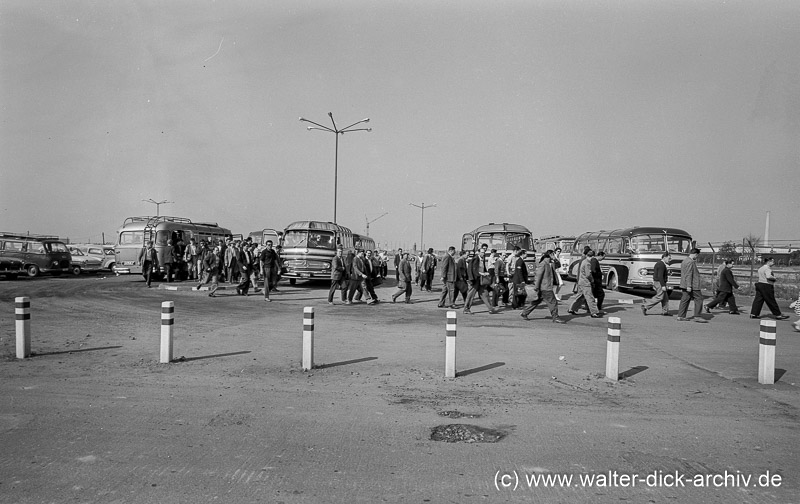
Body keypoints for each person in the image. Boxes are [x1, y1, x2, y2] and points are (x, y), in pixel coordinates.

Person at [520, 251, 566, 323]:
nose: (554, 256)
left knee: (536, 301)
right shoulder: (543, 264)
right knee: (553, 302)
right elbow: (538, 276)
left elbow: (559, 265)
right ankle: (555, 317)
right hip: (545, 287)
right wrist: (536, 286)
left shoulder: (551, 263)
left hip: (546, 286)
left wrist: (555, 259)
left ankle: (525, 313)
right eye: (553, 254)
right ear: (550, 255)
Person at [464, 246, 498, 315]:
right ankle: (466, 309)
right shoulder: (475, 259)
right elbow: (473, 270)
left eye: (484, 252)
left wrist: (486, 272)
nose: (483, 253)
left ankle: (490, 308)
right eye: (482, 252)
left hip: (481, 280)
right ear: (478, 252)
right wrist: (480, 274)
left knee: (485, 294)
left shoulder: (482, 259)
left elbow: (482, 268)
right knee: (471, 295)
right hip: (475, 280)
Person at [568, 250, 601, 318]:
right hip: (585, 283)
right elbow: (588, 274)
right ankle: (594, 312)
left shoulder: (584, 261)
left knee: (580, 297)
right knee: (590, 297)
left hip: (581, 282)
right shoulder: (588, 263)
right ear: (593, 256)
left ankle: (572, 309)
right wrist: (592, 280)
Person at [677, 248, 706, 322]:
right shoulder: (691, 262)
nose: (697, 257)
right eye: (697, 255)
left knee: (685, 299)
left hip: (684, 284)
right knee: (699, 299)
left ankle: (681, 316)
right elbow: (689, 274)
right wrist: (689, 286)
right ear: (695, 254)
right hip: (693, 285)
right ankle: (697, 316)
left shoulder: (684, 261)